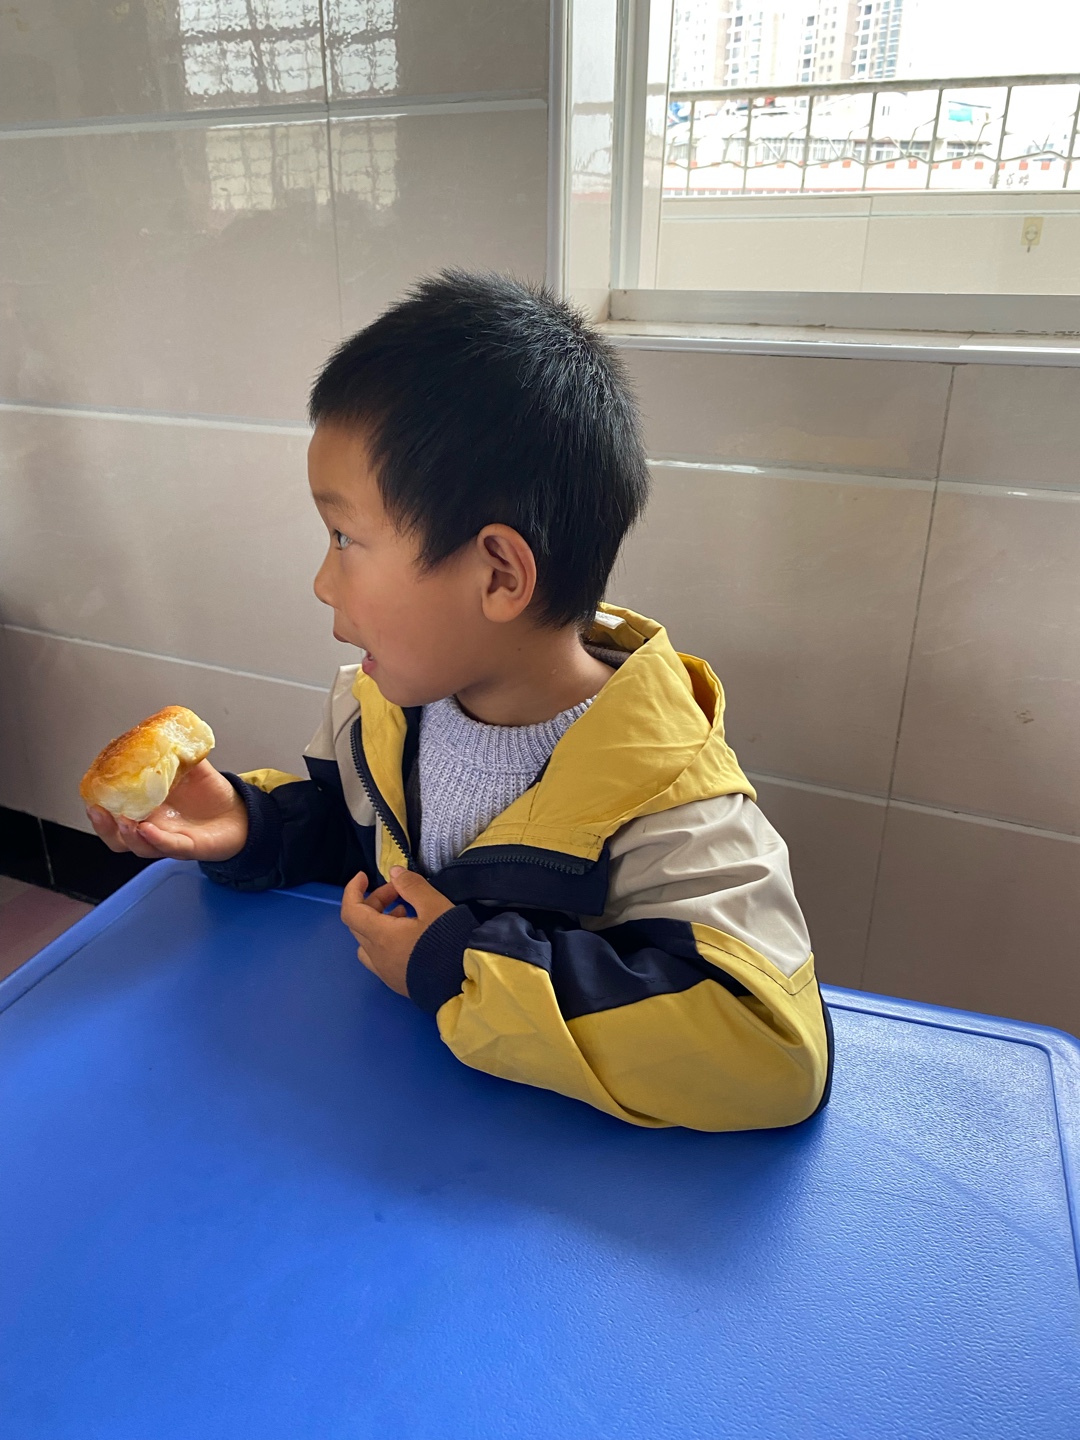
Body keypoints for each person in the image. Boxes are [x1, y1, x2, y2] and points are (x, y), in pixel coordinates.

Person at [87, 270, 832, 1131]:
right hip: (380, 1119)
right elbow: (357, 849)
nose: (323, 580)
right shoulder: (374, 712)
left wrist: (457, 968)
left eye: (345, 537)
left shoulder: (672, 803)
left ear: (499, 575)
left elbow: (772, 1050)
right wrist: (251, 825)